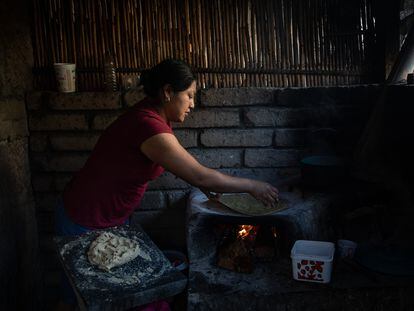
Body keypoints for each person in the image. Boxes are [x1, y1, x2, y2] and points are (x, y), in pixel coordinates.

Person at [55, 59, 279, 310]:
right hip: (85, 217)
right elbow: (199, 175)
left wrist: (204, 184)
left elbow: (183, 168)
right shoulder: (147, 124)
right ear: (168, 92)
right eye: (189, 95)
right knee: (82, 301)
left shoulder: (154, 117)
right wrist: (252, 185)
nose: (193, 104)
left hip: (111, 217)